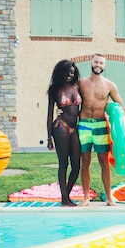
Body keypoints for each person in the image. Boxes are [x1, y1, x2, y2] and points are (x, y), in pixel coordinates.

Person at [78, 53, 125, 206]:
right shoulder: (81, 83)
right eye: (96, 62)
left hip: (100, 125)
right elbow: (70, 99)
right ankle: (86, 197)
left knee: (103, 161)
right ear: (91, 63)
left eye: (101, 63)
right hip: (83, 124)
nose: (98, 65)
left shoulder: (110, 85)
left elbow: (121, 106)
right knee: (84, 161)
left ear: (104, 66)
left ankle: (109, 197)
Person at [46, 59, 81, 207]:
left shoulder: (77, 87)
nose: (70, 75)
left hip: (75, 129)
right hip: (61, 127)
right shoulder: (54, 89)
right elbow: (49, 114)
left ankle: (65, 196)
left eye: (72, 73)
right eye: (67, 72)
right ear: (62, 72)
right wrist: (48, 137)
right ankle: (65, 199)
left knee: (76, 165)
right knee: (63, 164)